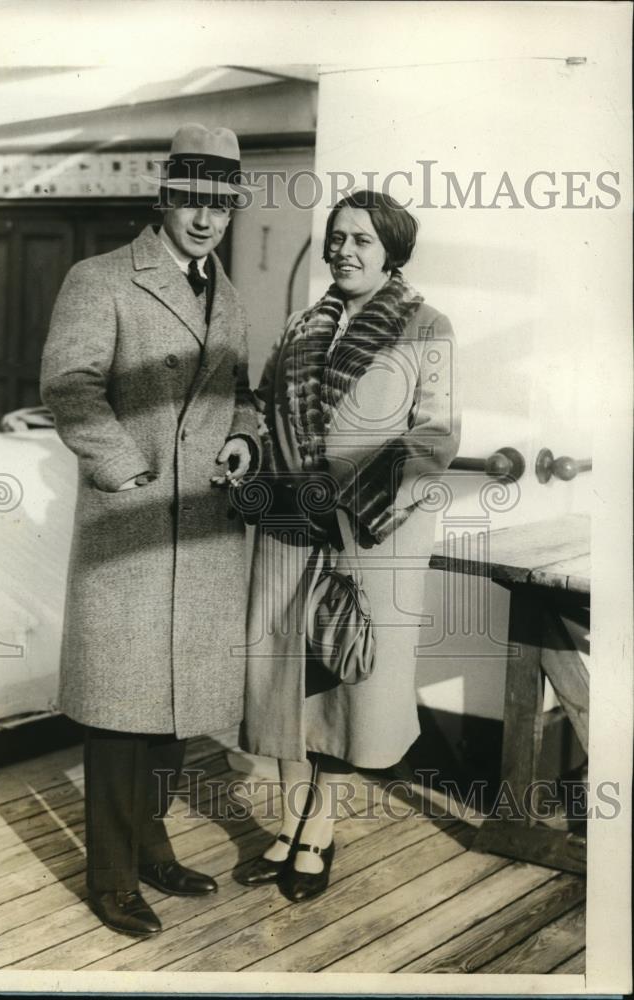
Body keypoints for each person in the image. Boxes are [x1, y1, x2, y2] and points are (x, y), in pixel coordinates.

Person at [40, 123, 259, 937]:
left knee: (171, 711)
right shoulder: (99, 279)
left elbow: (238, 390)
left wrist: (242, 432)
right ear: (165, 196)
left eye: (221, 204)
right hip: (130, 528)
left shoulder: (227, 294)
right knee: (120, 712)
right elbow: (69, 386)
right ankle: (110, 876)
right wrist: (125, 466)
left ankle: (152, 848)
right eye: (191, 199)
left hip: (200, 528)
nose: (205, 219)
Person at [238, 190, 461, 902]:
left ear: (391, 250)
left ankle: (321, 825)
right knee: (280, 675)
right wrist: (250, 443)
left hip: (367, 533)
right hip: (286, 524)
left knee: (341, 677)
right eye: (336, 238)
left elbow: (437, 434)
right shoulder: (304, 324)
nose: (343, 251)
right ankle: (288, 821)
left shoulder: (426, 325)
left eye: (361, 240)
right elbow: (259, 397)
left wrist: (352, 497)